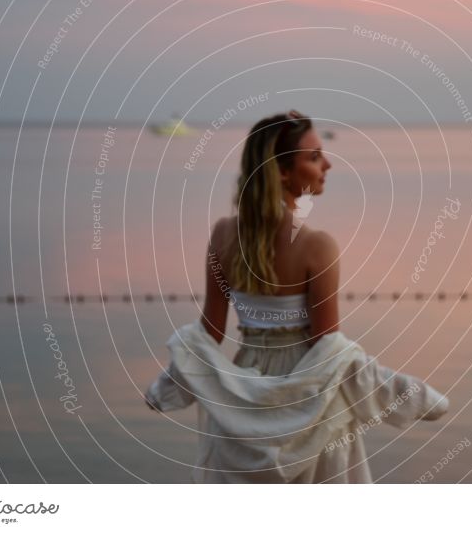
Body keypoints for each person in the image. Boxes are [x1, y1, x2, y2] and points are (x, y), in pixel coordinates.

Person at [144, 110, 449, 483]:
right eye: (315, 156)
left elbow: (209, 334)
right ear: (283, 172)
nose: (329, 165)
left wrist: (167, 386)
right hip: (310, 387)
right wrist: (405, 393)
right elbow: (329, 350)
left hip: (244, 383)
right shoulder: (316, 247)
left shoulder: (223, 235)